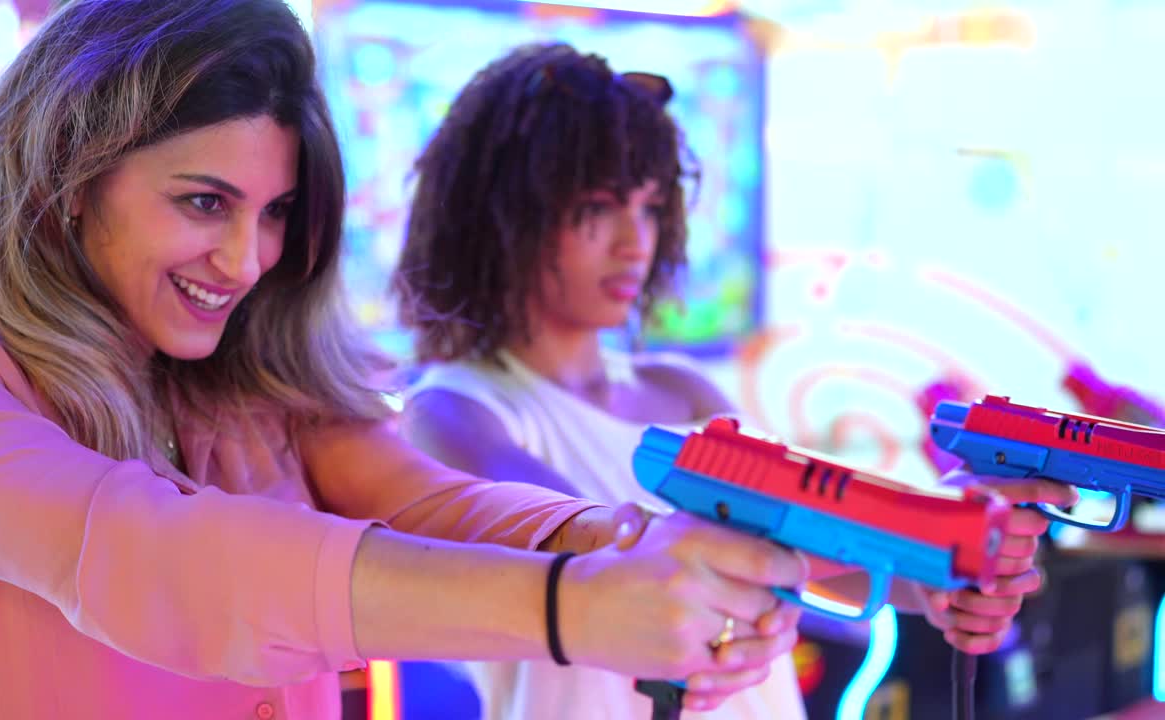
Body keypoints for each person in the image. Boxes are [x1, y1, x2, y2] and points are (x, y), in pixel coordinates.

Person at [0, 4, 825, 719]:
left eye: (278, 213)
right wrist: (568, 608)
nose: (247, 261)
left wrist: (634, 547)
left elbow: (432, 503)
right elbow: (153, 557)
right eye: (206, 203)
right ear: (67, 177)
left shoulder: (254, 383)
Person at [392, 42, 1077, 720]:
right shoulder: (455, 415)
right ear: (504, 215)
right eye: (598, 209)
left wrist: (931, 565)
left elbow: (809, 541)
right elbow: (628, 558)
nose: (636, 241)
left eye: (653, 207)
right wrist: (917, 527)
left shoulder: (683, 390)